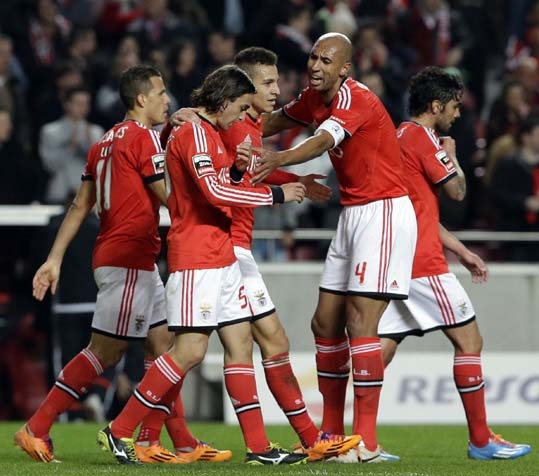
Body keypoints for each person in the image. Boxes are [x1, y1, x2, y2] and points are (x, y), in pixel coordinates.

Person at [97, 64, 309, 466]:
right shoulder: (192, 132)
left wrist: (238, 167)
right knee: (190, 351)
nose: (242, 116)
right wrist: (276, 196)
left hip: (222, 257)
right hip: (196, 259)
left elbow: (218, 180)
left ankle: (260, 449)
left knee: (240, 345)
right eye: (241, 107)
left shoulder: (209, 133)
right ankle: (120, 430)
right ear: (225, 101)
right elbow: (211, 193)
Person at [14, 64, 223, 465]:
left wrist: (54, 258)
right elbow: (170, 198)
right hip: (128, 258)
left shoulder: (104, 141)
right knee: (104, 353)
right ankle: (37, 427)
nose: (168, 99)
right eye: (161, 93)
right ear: (141, 98)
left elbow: (80, 205)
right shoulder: (143, 139)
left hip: (125, 257)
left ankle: (174, 440)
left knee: (164, 349)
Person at [251, 32, 417, 462]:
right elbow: (271, 123)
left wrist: (278, 160)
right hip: (353, 215)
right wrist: (213, 121)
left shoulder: (354, 99)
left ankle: (365, 442)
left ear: (345, 68)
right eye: (313, 57)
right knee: (325, 324)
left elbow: (324, 141)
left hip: (383, 212)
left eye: (327, 59)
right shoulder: (312, 97)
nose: (316, 65)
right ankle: (330, 432)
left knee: (360, 323)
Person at [378, 66, 532, 460]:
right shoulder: (423, 139)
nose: (458, 115)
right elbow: (458, 190)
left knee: (378, 350)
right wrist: (451, 157)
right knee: (470, 340)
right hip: (423, 265)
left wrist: (462, 252)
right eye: (455, 107)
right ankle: (481, 441)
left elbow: (419, 213)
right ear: (436, 105)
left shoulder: (397, 136)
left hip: (398, 257)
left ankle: (343, 433)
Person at [222, 46, 359, 461]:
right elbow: (232, 181)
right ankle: (305, 439)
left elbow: (252, 168)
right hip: (226, 251)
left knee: (229, 347)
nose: (277, 90)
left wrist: (296, 179)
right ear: (243, 86)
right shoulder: (234, 130)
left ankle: (283, 443)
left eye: (277, 80)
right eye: (267, 82)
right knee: (250, 344)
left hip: (231, 249)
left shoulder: (243, 128)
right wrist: (282, 191)